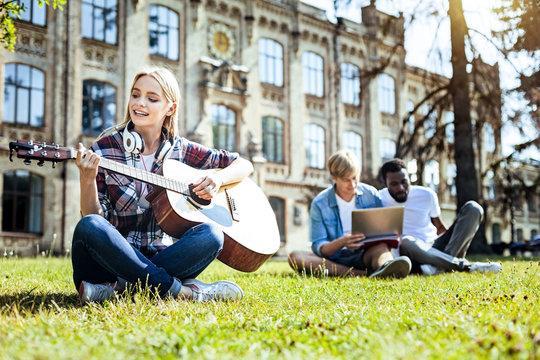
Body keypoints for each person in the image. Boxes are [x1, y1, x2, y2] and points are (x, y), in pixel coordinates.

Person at [72, 67, 254, 303]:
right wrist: (87, 179)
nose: (140, 103)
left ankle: (118, 289)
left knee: (211, 234)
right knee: (89, 225)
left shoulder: (181, 150)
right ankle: (182, 292)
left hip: (165, 258)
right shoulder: (104, 150)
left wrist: (217, 179)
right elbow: (96, 217)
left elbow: (244, 164)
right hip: (107, 265)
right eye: (135, 95)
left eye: (152, 98)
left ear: (171, 108)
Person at [288, 150, 411, 278]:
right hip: (333, 260)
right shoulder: (319, 204)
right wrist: (342, 242)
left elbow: (383, 232)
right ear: (334, 177)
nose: (352, 185)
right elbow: (319, 247)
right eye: (346, 180)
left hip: (365, 254)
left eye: (355, 178)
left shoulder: (371, 194)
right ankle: (362, 274)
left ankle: (386, 266)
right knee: (295, 257)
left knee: (382, 249)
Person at [379, 159, 501, 275]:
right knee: (406, 241)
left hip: (434, 246)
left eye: (404, 182)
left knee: (474, 208)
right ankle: (468, 267)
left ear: (409, 178)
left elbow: (440, 227)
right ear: (385, 183)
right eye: (394, 184)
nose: (400, 188)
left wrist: (454, 242)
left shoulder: (426, 194)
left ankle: (439, 265)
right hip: (410, 252)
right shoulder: (379, 199)